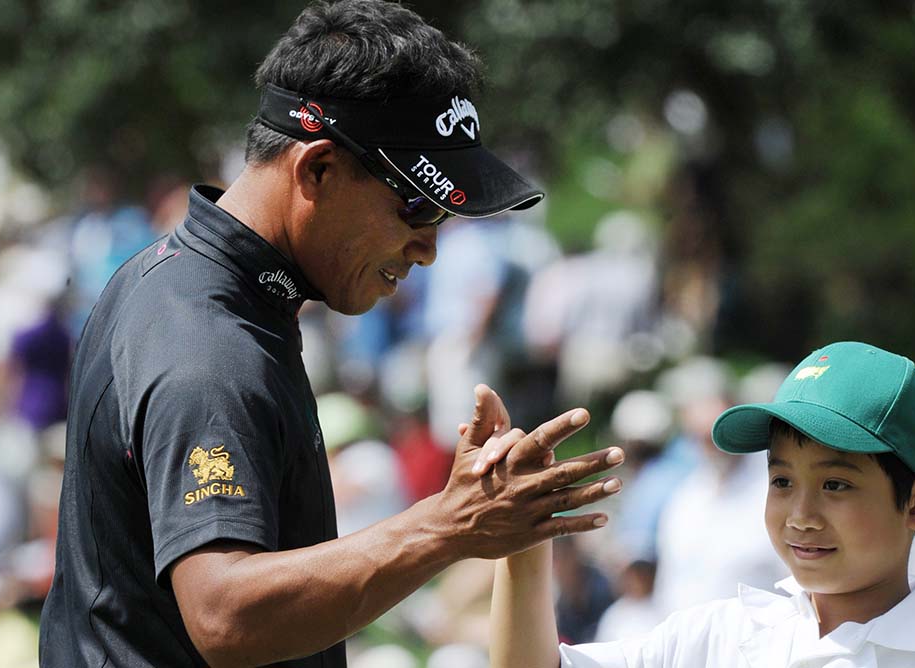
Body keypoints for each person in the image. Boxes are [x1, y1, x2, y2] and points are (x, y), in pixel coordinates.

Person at [38, 2, 626, 666]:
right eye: (419, 206)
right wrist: (447, 524)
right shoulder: (206, 342)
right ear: (317, 170)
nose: (428, 249)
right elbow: (225, 615)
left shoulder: (183, 279)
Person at [491, 341, 915, 667]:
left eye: (835, 485)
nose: (800, 515)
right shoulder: (715, 637)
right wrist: (522, 537)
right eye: (782, 480)